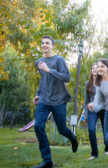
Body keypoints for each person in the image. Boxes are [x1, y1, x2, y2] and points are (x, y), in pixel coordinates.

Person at [32, 35, 78, 168]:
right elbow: (43, 80)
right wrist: (38, 94)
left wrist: (49, 70)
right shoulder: (39, 62)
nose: (44, 45)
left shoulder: (58, 60)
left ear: (53, 46)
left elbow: (67, 77)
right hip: (44, 99)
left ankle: (73, 138)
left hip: (58, 100)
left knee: (62, 129)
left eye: (47, 43)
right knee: (38, 126)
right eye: (42, 43)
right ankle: (47, 161)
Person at [83, 63, 108, 160]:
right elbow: (86, 101)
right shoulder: (88, 83)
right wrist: (86, 115)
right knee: (91, 130)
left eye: (96, 68)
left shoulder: (104, 82)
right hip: (92, 110)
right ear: (91, 70)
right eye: (93, 68)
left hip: (103, 109)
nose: (95, 69)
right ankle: (94, 153)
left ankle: (107, 148)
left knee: (105, 130)